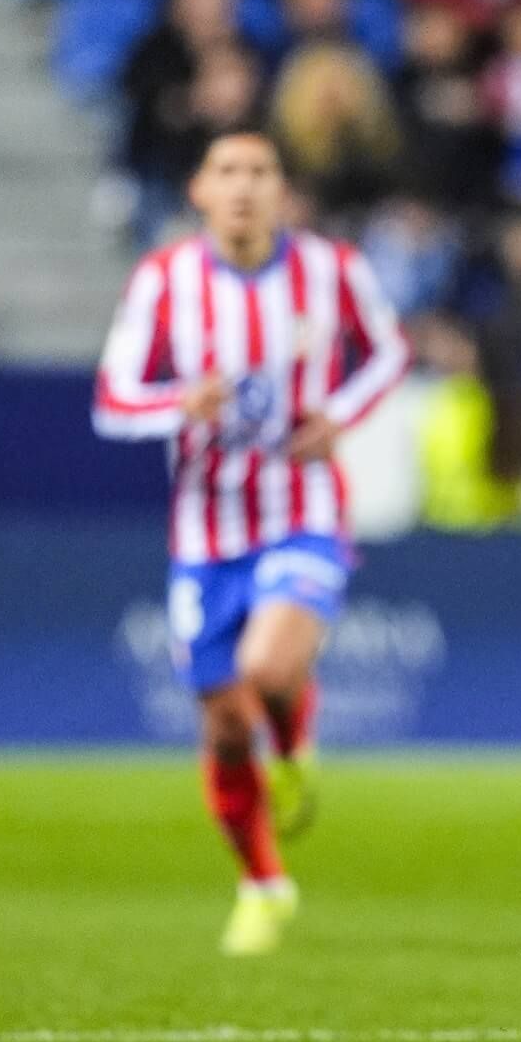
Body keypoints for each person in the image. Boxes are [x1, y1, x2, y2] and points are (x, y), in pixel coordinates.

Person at [91, 127, 409, 956]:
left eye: (259, 171)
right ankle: (264, 881)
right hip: (204, 533)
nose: (242, 186)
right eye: (226, 171)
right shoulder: (164, 280)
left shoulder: (331, 270)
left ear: (281, 190)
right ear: (199, 190)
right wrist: (176, 405)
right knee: (227, 727)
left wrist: (337, 416)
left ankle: (295, 732)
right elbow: (113, 399)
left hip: (301, 507)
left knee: (268, 668)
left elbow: (388, 354)